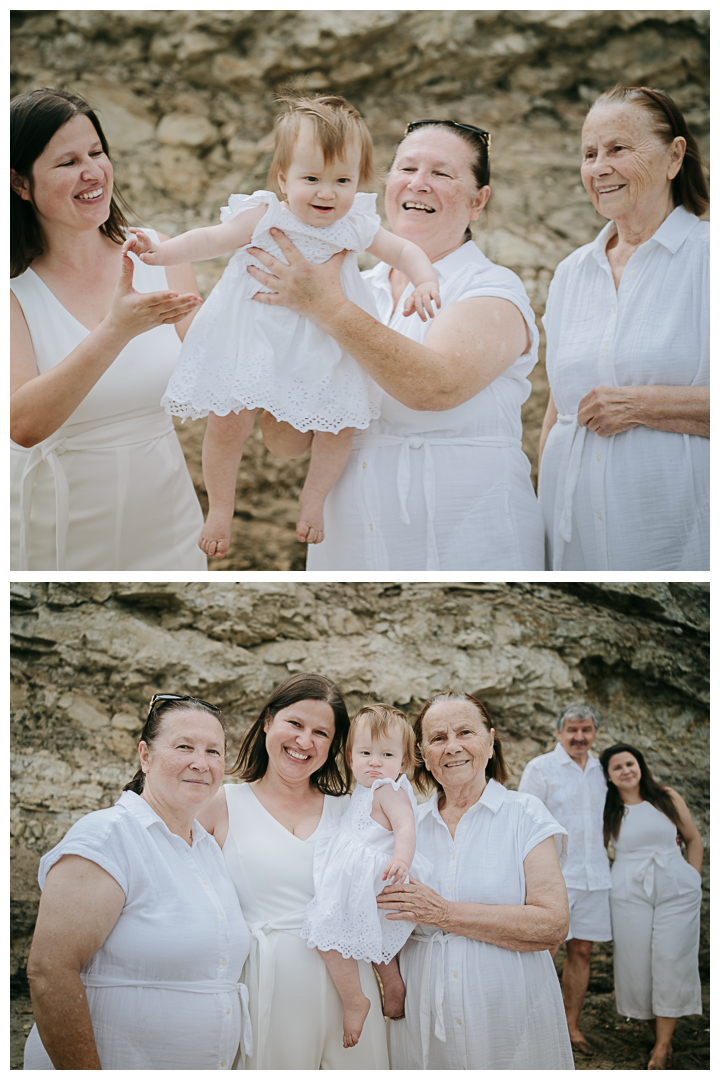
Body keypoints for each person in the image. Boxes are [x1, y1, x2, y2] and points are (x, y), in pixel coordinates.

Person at [126, 93, 439, 558]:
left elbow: (404, 252)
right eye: (311, 178)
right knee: (227, 423)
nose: (327, 193)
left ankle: (313, 502)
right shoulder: (265, 214)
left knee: (339, 426)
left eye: (342, 179)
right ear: (282, 179)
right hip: (256, 339)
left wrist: (424, 279)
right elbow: (211, 240)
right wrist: (164, 254)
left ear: (359, 181)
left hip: (326, 345)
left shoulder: (355, 224)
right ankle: (220, 508)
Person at [252, 118, 544, 571]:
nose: (418, 184)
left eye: (441, 174)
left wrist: (326, 309)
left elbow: (435, 387)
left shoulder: (492, 287)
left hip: (466, 532)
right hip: (350, 532)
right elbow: (286, 443)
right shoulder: (351, 286)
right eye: (406, 169)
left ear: (478, 201)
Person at [10, 88, 206, 571]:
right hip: (55, 532)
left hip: (169, 522)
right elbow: (22, 425)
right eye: (68, 161)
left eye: (97, 152)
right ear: (21, 183)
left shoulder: (158, 252)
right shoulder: (11, 290)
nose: (93, 171)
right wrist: (116, 330)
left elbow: (214, 372)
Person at [23, 694, 252, 1070]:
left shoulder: (207, 849)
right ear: (145, 756)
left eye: (214, 751)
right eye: (184, 747)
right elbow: (49, 970)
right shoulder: (108, 837)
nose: (201, 762)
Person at [538, 84, 709, 571]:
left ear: (674, 157)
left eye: (618, 149)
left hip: (679, 534)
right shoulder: (572, 271)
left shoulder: (707, 255)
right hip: (573, 539)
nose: (599, 167)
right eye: (589, 153)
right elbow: (559, 408)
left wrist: (642, 405)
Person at [197, 674, 389, 1070]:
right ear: (268, 720)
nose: (305, 741)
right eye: (295, 724)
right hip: (265, 984)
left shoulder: (352, 811)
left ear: (334, 746)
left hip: (352, 990)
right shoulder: (220, 804)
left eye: (321, 732)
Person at [377, 691, 574, 1070]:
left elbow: (553, 924)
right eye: (438, 738)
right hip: (422, 1014)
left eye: (465, 732)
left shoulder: (525, 814)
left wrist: (444, 913)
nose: (452, 747)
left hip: (511, 1010)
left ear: (490, 740)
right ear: (422, 754)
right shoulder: (405, 828)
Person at [301, 703, 431, 1047]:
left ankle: (355, 1000)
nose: (375, 761)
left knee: (325, 931)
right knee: (372, 939)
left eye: (387, 754)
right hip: (362, 878)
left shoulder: (389, 789)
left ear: (402, 762)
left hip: (376, 876)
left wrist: (402, 860)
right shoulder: (361, 790)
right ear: (349, 756)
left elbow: (405, 827)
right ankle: (392, 984)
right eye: (366, 752)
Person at [600, 743, 703, 1070]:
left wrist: (692, 879)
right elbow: (597, 850)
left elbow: (693, 839)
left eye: (630, 763)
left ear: (640, 765)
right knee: (637, 965)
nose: (626, 770)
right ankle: (658, 1030)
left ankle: (662, 1045)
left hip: (675, 885)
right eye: (618, 767)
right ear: (608, 776)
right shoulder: (609, 810)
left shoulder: (666, 797)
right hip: (629, 891)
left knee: (671, 958)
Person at [518, 701, 611, 1055]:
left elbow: (618, 815)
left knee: (583, 951)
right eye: (572, 730)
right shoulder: (540, 768)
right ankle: (531, 1027)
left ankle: (571, 1028)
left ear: (595, 733)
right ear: (559, 732)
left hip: (595, 875)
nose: (579, 736)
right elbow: (523, 821)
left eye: (586, 730)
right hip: (553, 876)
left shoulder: (604, 771)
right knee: (543, 952)